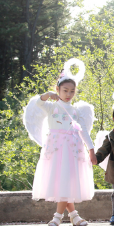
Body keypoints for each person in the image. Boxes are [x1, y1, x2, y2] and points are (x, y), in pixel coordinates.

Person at [29, 69, 96, 226]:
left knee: (67, 182)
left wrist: (91, 149)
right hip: (57, 149)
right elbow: (39, 102)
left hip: (72, 149)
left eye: (72, 91)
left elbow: (83, 131)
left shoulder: (76, 111)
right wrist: (47, 94)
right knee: (62, 182)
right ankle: (70, 216)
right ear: (58, 90)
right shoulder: (52, 107)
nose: (68, 94)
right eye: (65, 90)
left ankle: (62, 217)